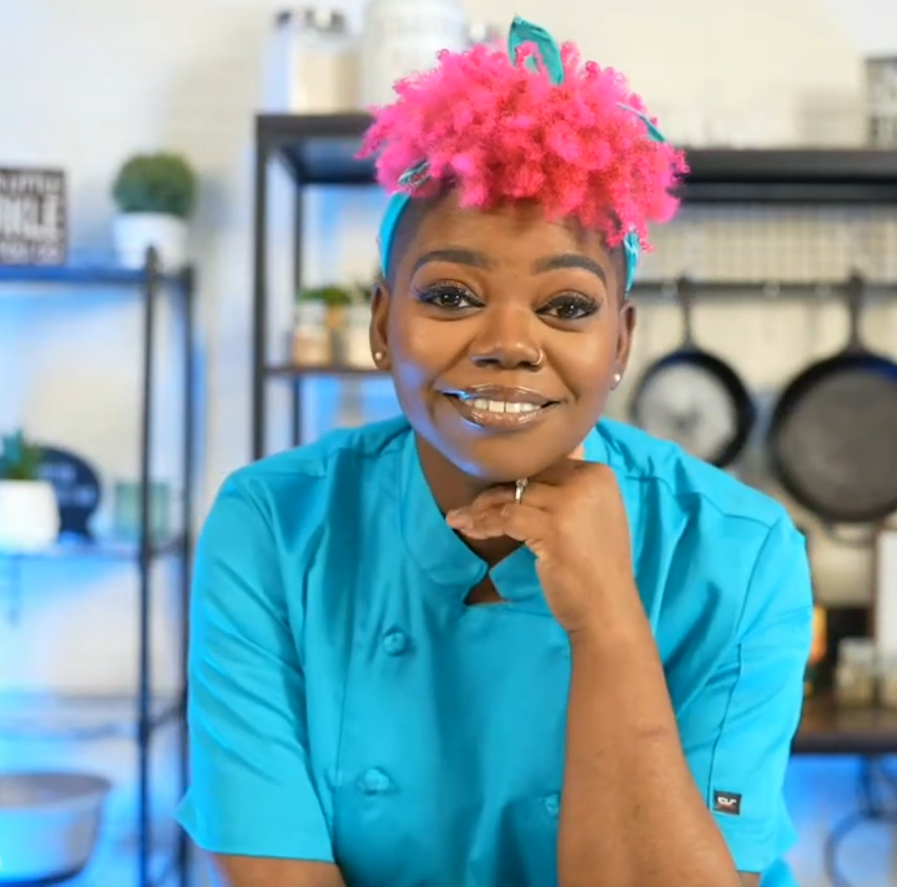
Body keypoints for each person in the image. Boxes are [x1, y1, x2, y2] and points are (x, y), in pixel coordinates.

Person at [177, 16, 812, 887]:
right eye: (449, 293)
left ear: (620, 342)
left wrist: (609, 619)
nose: (509, 342)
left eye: (566, 307)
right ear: (378, 323)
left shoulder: (738, 552)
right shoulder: (275, 527)